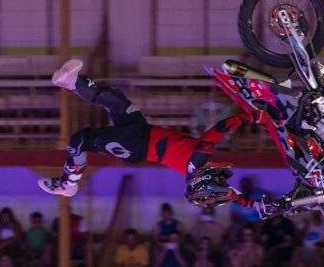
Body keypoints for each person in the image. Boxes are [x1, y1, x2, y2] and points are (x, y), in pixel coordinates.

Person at [38, 59, 255, 205]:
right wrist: (252, 203)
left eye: (217, 175)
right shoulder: (196, 169)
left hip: (134, 144)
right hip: (141, 130)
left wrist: (247, 116)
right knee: (115, 99)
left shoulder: (198, 159)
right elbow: (229, 192)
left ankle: (68, 184)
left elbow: (217, 132)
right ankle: (72, 82)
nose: (220, 172)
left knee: (81, 139)